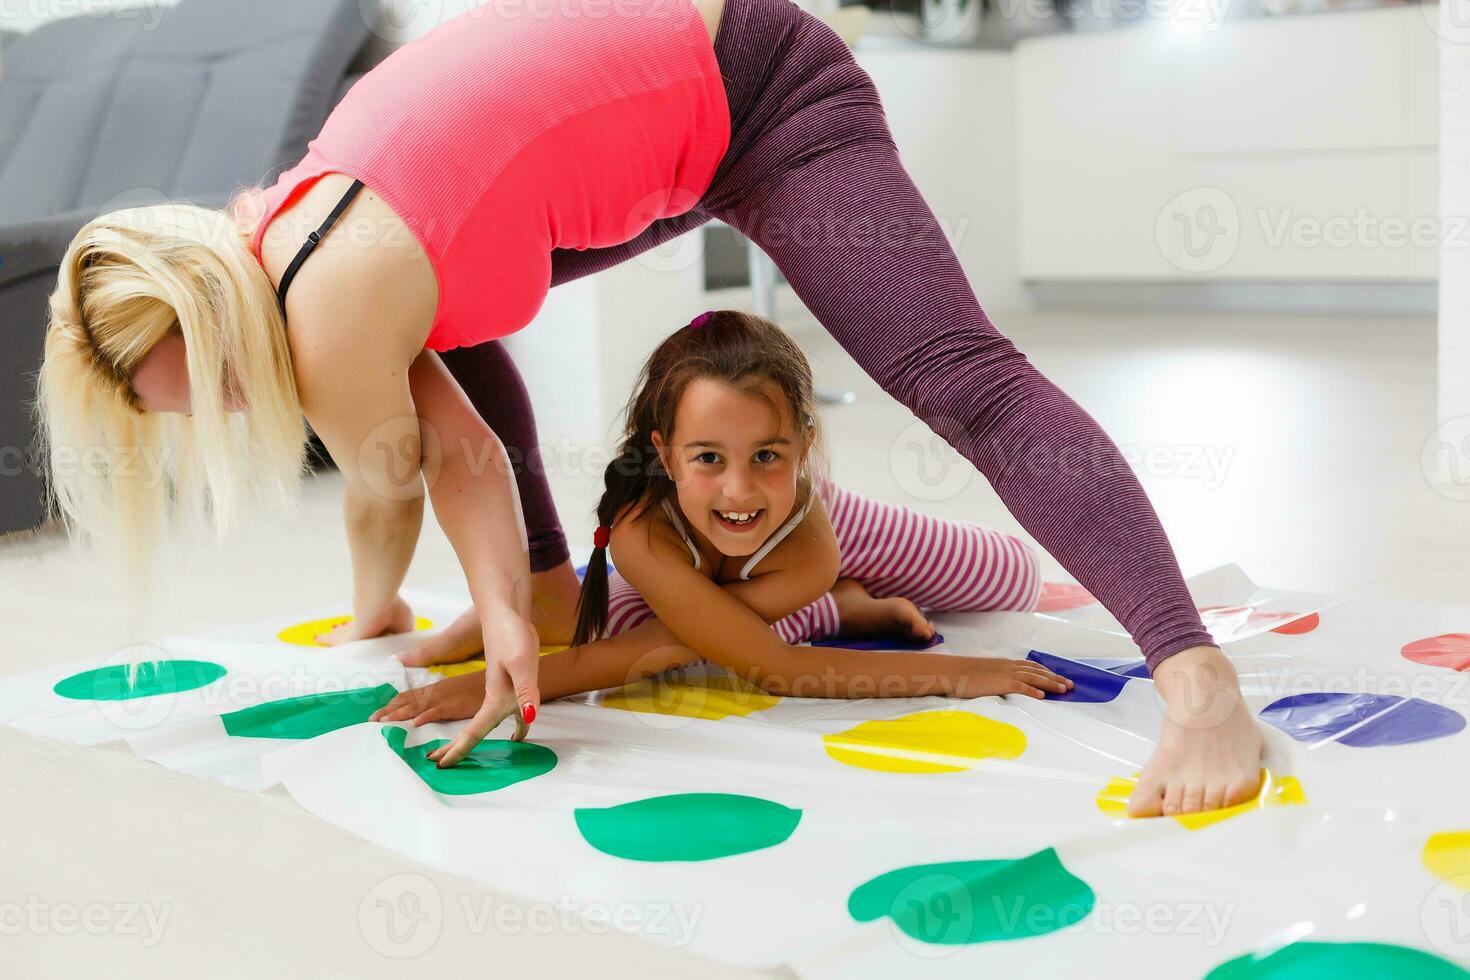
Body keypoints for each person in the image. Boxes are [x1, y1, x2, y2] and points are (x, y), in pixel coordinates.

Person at [37, 0, 1261, 810]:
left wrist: (514, 628)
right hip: (674, 112)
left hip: (764, 89)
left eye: (213, 384)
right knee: (460, 334)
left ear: (211, 308)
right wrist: (428, 610)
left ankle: (1198, 677)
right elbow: (440, 426)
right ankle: (550, 578)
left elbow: (426, 464)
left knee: (959, 378)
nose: (223, 413)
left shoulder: (326, 303)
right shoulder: (293, 227)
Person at [370, 311, 1076, 762]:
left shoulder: (809, 540)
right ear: (666, 453)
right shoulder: (641, 533)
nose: (738, 489)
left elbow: (775, 668)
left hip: (820, 532)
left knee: (1006, 576)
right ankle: (847, 608)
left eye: (766, 454)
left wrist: (965, 675)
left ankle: (843, 597)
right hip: (726, 566)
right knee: (614, 624)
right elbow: (634, 653)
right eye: (708, 458)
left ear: (801, 447)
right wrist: (501, 682)